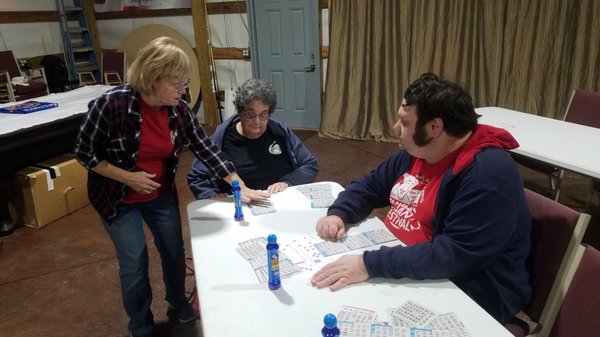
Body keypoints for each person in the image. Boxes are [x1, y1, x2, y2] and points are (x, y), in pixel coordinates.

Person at [74, 37, 268, 337]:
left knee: (174, 251)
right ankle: (140, 324)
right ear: (152, 79)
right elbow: (85, 154)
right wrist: (128, 177)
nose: (183, 91)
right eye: (177, 84)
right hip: (117, 197)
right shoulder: (112, 105)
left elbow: (207, 149)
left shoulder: (178, 110)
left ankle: (177, 301)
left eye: (185, 83)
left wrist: (239, 186)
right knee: (135, 260)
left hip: (158, 194)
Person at [311, 73, 532, 325]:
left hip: (469, 288)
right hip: (405, 265)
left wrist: (368, 264)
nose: (396, 128)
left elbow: (456, 254)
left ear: (434, 127)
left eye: (404, 122)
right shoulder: (417, 152)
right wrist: (339, 212)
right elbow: (371, 184)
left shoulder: (488, 172)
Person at [187, 78, 318, 199]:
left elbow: (309, 164)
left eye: (263, 115)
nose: (257, 122)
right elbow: (197, 177)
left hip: (279, 200)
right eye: (251, 115)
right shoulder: (222, 138)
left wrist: (288, 182)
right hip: (239, 205)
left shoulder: (279, 132)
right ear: (240, 112)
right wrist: (212, 195)